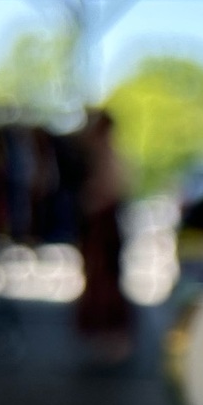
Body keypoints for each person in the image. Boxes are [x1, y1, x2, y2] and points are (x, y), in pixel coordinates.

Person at [75, 109, 133, 363]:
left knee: (104, 280)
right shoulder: (106, 153)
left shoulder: (107, 155)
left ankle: (112, 335)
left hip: (103, 225)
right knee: (101, 280)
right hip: (103, 224)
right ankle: (107, 335)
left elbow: (108, 190)